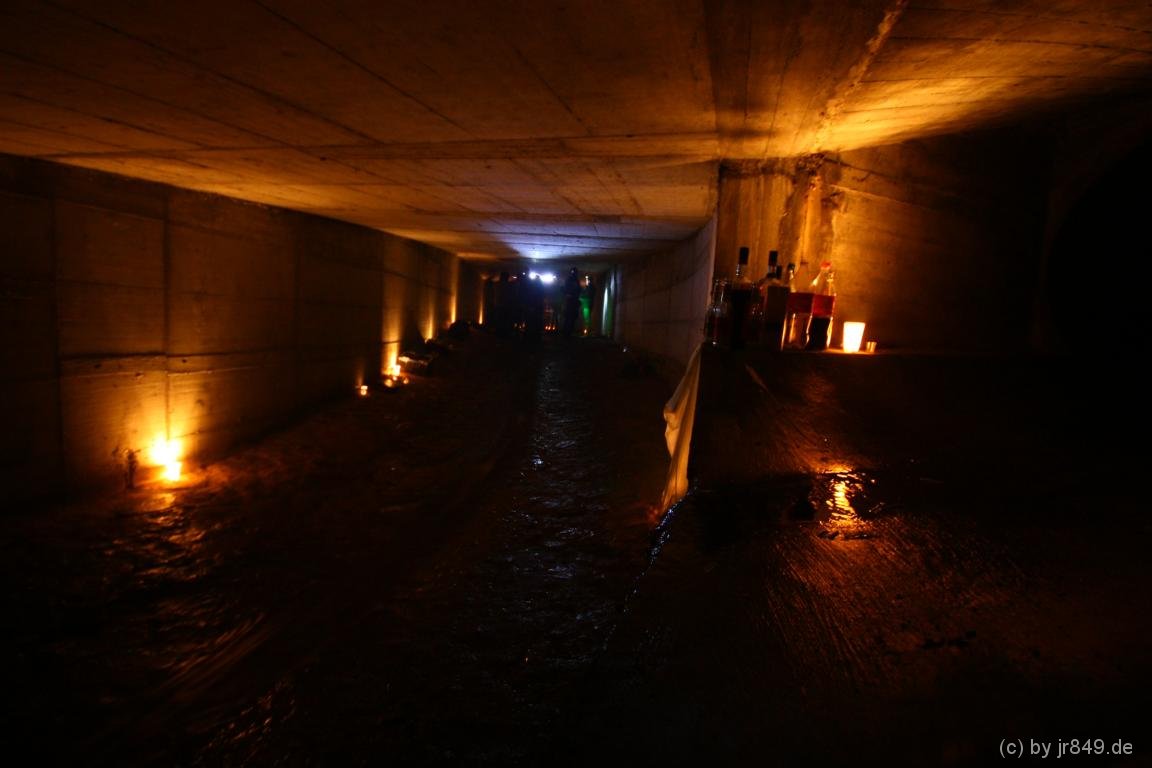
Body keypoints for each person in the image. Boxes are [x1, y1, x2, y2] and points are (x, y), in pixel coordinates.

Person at [560, 267, 581, 338]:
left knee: (571, 317)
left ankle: (568, 333)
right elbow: (566, 290)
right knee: (569, 317)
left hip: (572, 301)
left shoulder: (573, 280)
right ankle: (566, 333)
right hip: (570, 301)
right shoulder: (571, 280)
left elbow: (578, 290)